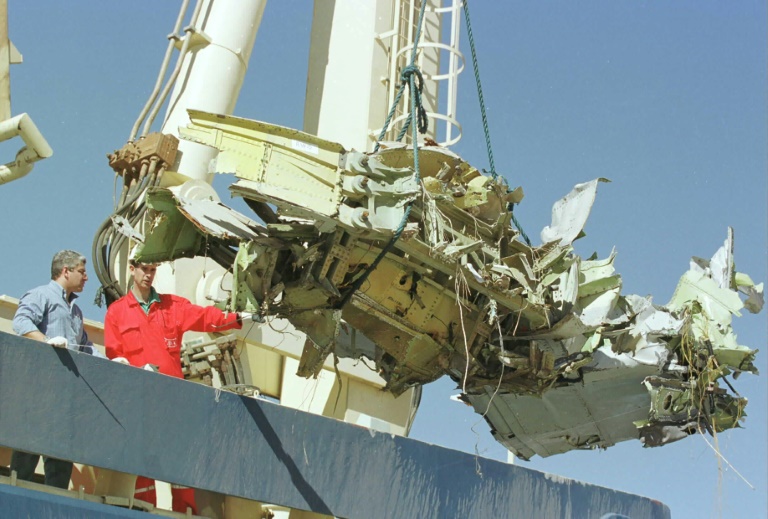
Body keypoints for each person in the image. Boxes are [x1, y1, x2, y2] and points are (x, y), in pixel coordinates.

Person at [104, 259, 245, 514]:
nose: (148, 275)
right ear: (131, 268)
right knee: (141, 466)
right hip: (138, 405)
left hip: (173, 403)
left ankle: (186, 513)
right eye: (144, 270)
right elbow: (115, 357)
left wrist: (237, 318)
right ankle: (139, 512)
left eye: (152, 270)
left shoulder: (173, 307)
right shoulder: (117, 312)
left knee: (181, 465)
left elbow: (205, 318)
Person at [11, 249, 104, 489]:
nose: (86, 278)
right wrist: (45, 342)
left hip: (64, 401)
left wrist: (112, 363)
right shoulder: (41, 295)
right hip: (38, 394)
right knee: (25, 462)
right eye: (82, 272)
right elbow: (21, 322)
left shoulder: (75, 311)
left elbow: (85, 347)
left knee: (60, 470)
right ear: (66, 271)